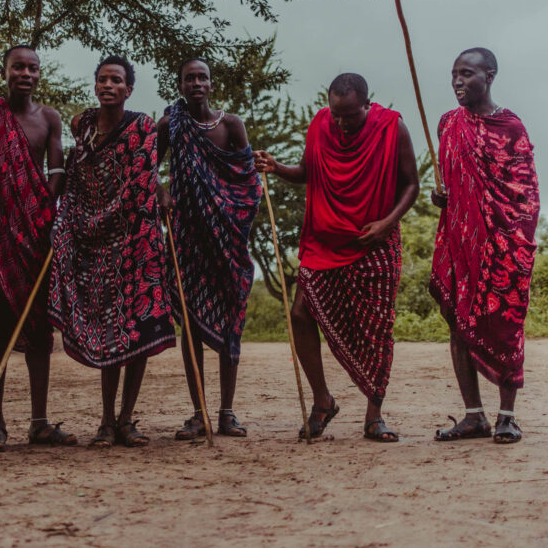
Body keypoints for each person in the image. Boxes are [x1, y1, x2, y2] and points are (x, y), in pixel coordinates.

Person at [254, 73, 418, 442]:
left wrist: (388, 223)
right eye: (335, 114)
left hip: (373, 240)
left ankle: (374, 414)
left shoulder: (393, 128)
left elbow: (412, 184)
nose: (341, 123)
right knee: (299, 313)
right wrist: (277, 168)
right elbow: (307, 174)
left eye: (349, 116)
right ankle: (322, 400)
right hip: (324, 240)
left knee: (375, 329)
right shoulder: (320, 125)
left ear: (367, 104)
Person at [48, 55, 175, 448]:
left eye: (116, 80)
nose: (108, 85)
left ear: (128, 89)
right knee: (108, 330)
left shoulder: (142, 127)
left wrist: (157, 196)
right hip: (96, 248)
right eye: (102, 79)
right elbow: (77, 176)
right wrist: (77, 223)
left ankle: (125, 420)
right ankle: (104, 421)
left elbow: (140, 184)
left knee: (136, 332)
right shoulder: (82, 124)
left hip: (137, 242)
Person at [0, 45, 76, 451]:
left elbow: (57, 171)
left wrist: (41, 214)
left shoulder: (49, 118)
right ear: (5, 72)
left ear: (39, 74)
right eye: (17, 67)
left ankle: (40, 423)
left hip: (36, 237)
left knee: (40, 330)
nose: (25, 74)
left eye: (32, 68)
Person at [430, 47, 539, 445]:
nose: (458, 81)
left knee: (506, 323)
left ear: (489, 76)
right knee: (459, 322)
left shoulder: (510, 127)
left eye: (467, 74)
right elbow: (455, 180)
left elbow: (525, 192)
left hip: (503, 244)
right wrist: (442, 197)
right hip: (460, 241)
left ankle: (507, 416)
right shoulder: (447, 123)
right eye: (454, 74)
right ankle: (473, 416)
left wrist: (516, 241)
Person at [155, 58, 261, 439]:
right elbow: (144, 167)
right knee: (192, 323)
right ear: (180, 85)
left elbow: (247, 178)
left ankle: (227, 412)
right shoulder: (170, 125)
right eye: (189, 78)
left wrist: (232, 212)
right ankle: (198, 412)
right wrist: (162, 191)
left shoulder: (230, 124)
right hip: (186, 237)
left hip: (228, 238)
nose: (196, 83)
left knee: (231, 319)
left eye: (202, 77)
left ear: (212, 85)